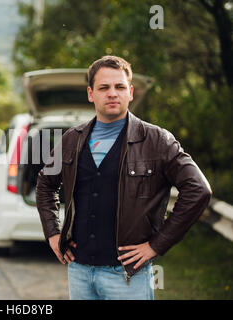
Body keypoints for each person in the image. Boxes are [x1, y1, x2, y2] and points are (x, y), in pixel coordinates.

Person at [35, 55, 212, 300]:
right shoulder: (71, 140)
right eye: (104, 88)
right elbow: (45, 184)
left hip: (127, 277)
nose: (112, 93)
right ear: (90, 93)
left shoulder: (157, 141)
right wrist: (53, 234)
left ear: (130, 92)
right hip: (79, 272)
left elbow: (199, 190)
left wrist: (156, 245)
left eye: (119, 87)